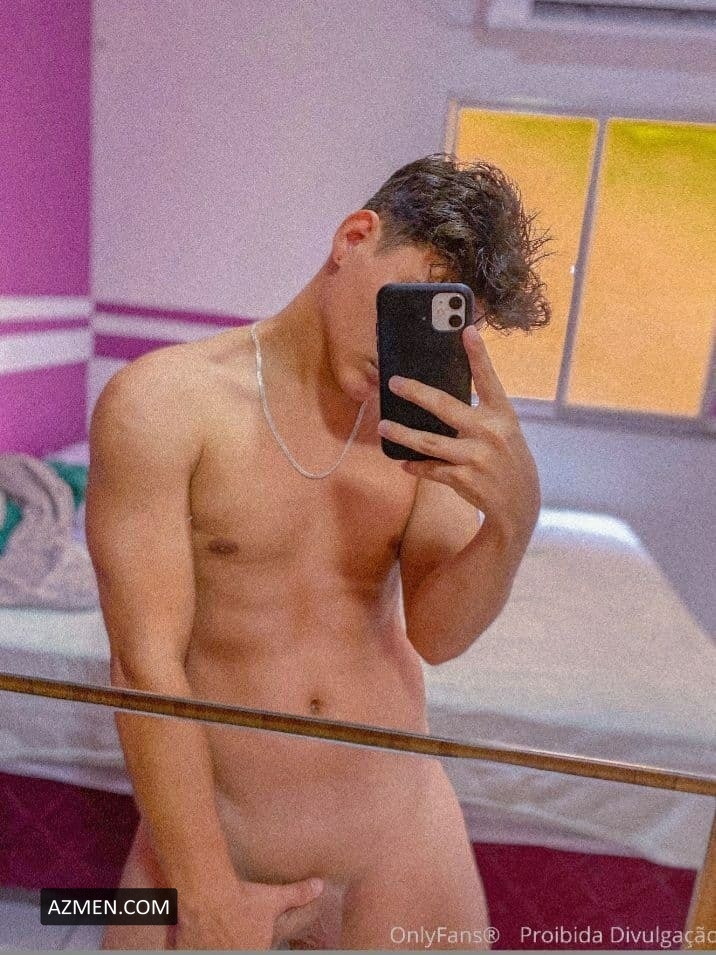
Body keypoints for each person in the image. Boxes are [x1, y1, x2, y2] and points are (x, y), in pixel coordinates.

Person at [86, 153, 551, 950]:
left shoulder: (421, 428)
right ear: (354, 237)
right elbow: (144, 664)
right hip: (214, 851)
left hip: (398, 835)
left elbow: (438, 633)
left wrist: (513, 522)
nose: (404, 347)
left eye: (441, 324)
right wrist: (205, 894)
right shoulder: (162, 405)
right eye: (407, 302)